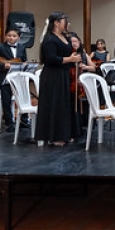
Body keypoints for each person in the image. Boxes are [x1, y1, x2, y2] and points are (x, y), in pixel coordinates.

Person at [35, 12, 82, 147]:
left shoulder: (64, 37)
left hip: (63, 74)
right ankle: (55, 136)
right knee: (55, 105)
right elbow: (51, 59)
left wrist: (72, 56)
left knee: (64, 105)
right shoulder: (50, 39)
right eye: (64, 21)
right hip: (53, 76)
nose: (67, 23)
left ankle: (65, 133)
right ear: (56, 23)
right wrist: (70, 59)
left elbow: (64, 53)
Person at [0, 27, 29, 132]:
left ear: (19, 37)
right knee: (6, 99)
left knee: (22, 97)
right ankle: (9, 122)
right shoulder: (0, 47)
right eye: (9, 35)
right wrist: (3, 65)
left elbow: (23, 60)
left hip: (18, 77)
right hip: (4, 77)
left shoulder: (22, 47)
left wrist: (25, 64)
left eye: (14, 36)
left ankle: (24, 120)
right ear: (5, 36)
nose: (11, 38)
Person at [69, 32, 96, 134]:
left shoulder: (84, 55)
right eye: (71, 42)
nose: (74, 44)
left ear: (79, 42)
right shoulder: (69, 55)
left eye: (76, 41)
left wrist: (85, 67)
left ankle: (86, 123)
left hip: (83, 83)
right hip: (72, 83)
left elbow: (93, 67)